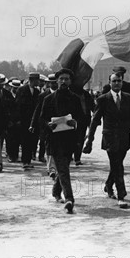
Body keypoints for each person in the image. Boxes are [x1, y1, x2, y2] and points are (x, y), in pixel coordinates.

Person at [84, 73, 130, 209]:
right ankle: (122, 195)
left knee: (117, 164)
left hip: (124, 137)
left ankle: (109, 185)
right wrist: (89, 139)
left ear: (122, 82)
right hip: (110, 138)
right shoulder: (103, 99)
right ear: (109, 83)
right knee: (117, 165)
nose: (117, 83)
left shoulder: (127, 98)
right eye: (114, 81)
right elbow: (95, 120)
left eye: (119, 81)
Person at [40, 69, 85, 214]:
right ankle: (69, 199)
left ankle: (55, 191)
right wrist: (48, 124)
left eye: (66, 79)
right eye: (61, 79)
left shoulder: (75, 99)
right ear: (57, 81)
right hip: (54, 140)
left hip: (70, 140)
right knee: (63, 169)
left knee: (63, 167)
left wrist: (75, 122)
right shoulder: (48, 99)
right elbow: (42, 118)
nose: (64, 81)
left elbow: (82, 118)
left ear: (70, 81)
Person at [30, 74, 58, 178]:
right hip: (47, 125)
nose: (54, 84)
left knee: (57, 147)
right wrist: (32, 124)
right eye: (52, 82)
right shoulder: (43, 96)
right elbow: (37, 111)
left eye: (56, 81)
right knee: (49, 146)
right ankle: (51, 169)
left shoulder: (63, 95)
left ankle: (56, 167)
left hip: (60, 125)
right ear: (48, 83)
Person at [15, 72, 41, 168]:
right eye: (37, 80)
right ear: (32, 80)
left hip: (33, 121)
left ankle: (28, 161)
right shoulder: (21, 90)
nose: (39, 82)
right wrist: (17, 119)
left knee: (32, 141)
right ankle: (25, 162)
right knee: (25, 141)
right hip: (23, 121)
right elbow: (17, 106)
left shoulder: (37, 92)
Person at [71, 84, 95, 166]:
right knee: (71, 139)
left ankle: (77, 158)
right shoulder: (70, 93)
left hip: (83, 120)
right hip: (72, 120)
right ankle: (70, 155)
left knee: (80, 140)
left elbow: (93, 106)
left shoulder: (86, 94)